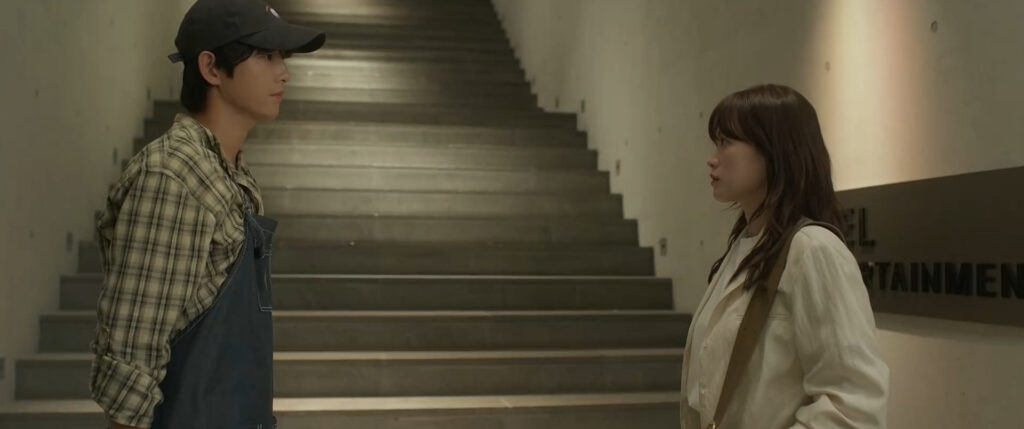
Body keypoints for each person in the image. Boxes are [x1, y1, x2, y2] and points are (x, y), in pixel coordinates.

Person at [88, 1, 324, 428]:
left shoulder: (231, 172)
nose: (283, 73)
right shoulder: (173, 175)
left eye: (283, 58)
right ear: (211, 68)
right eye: (266, 56)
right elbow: (131, 368)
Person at [681, 84, 889, 428]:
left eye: (726, 142)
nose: (712, 158)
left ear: (773, 150)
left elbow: (854, 408)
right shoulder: (745, 246)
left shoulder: (814, 249)